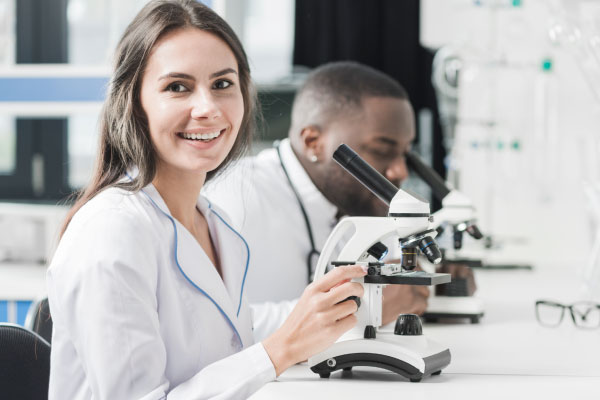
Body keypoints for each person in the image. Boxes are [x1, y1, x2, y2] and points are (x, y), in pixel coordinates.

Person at [46, 2, 366, 399]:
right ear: (134, 104)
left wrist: (334, 307)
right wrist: (280, 350)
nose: (209, 108)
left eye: (222, 84)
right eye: (177, 87)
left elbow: (229, 335)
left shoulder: (213, 221)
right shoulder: (111, 231)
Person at [205, 61, 430, 341]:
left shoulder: (351, 197)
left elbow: (399, 269)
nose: (400, 171)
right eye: (382, 150)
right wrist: (361, 311)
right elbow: (213, 328)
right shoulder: (237, 199)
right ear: (313, 142)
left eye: (404, 154)